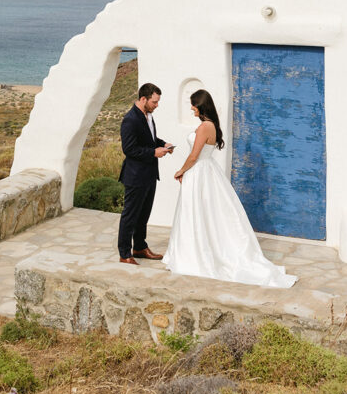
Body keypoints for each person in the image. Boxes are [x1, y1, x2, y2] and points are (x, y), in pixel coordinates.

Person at [163, 89, 296, 287]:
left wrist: (180, 171)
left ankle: (194, 254)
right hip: (206, 171)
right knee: (205, 213)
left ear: (200, 105)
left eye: (193, 104)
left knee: (197, 213)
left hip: (199, 172)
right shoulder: (212, 126)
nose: (191, 108)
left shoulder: (204, 128)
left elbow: (194, 156)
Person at [118, 82, 173, 265]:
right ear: (144, 99)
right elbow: (129, 149)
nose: (157, 105)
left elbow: (150, 139)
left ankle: (140, 247)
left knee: (143, 215)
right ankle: (125, 254)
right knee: (130, 215)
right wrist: (153, 152)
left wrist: (163, 144)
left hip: (149, 174)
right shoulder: (130, 119)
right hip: (135, 176)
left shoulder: (148, 116)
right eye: (154, 102)